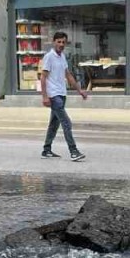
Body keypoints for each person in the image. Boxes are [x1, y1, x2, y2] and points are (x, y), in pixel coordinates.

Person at [40, 31, 89, 161]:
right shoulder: (49, 57)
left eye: (63, 42)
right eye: (59, 42)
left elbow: (68, 75)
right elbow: (43, 77)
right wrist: (45, 97)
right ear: (54, 42)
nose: (61, 44)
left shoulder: (62, 57)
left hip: (62, 94)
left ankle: (46, 149)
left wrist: (80, 90)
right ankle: (73, 151)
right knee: (66, 123)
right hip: (54, 95)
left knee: (54, 124)